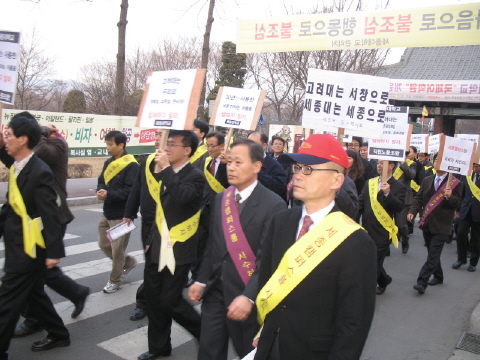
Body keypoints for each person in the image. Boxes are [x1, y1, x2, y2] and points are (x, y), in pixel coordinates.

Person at [254, 134, 377, 360]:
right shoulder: (280, 221)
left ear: (336, 181)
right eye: (297, 168)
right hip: (270, 346)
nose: (298, 175)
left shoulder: (356, 242)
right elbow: (267, 281)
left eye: (308, 169)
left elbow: (353, 325)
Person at [188, 139, 286, 360]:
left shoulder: (274, 205)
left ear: (257, 166)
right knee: (209, 350)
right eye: (229, 161)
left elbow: (268, 261)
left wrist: (249, 297)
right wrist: (201, 280)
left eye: (238, 162)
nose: (231, 167)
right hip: (215, 291)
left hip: (246, 295)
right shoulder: (221, 198)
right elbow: (212, 246)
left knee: (248, 353)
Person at [0, 113, 90, 337]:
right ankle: (57, 318)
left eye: (11, 133)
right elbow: (13, 160)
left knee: (37, 275)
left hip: (51, 218)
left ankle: (47, 315)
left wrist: (40, 132)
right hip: (28, 225)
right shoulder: (23, 161)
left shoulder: (56, 143)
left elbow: (39, 153)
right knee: (34, 280)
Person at [138, 130, 204, 360]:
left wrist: (166, 169)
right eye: (167, 143)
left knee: (171, 300)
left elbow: (183, 197)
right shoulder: (163, 173)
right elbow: (160, 212)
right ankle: (158, 347)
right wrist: (148, 241)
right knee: (154, 300)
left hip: (179, 249)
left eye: (173, 144)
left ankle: (204, 332)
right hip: (156, 246)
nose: (167, 148)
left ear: (187, 150)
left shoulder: (195, 176)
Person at [408, 155, 463, 294]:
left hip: (442, 225)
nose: (437, 163)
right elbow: (419, 198)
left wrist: (450, 196)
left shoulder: (455, 183)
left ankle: (422, 282)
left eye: (440, 161)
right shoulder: (427, 180)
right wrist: (412, 212)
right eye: (435, 160)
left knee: (433, 255)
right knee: (432, 253)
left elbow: (458, 203)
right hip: (427, 223)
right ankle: (438, 276)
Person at [123, 129, 163, 321]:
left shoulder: (180, 167)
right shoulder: (147, 161)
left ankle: (161, 300)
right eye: (156, 135)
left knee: (162, 268)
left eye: (162, 135)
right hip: (149, 221)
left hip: (171, 226)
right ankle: (143, 303)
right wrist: (129, 213)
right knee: (151, 265)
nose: (157, 139)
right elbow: (137, 189)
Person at [97, 131, 140, 293]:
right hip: (107, 211)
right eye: (107, 144)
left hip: (123, 215)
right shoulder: (108, 162)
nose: (108, 148)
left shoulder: (131, 165)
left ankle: (115, 280)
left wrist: (110, 194)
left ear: (121, 145)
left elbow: (131, 191)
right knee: (103, 244)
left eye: (110, 144)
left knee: (117, 250)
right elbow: (101, 180)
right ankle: (128, 263)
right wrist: (101, 190)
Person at [188, 132, 230, 286]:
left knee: (216, 245)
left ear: (222, 146)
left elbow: (229, 185)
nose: (210, 149)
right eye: (208, 145)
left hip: (221, 211)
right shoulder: (205, 161)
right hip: (202, 210)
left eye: (213, 146)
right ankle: (196, 276)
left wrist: (226, 164)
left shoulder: (230, 163)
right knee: (199, 244)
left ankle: (214, 277)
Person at [359, 160, 406, 295]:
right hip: (367, 229)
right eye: (378, 163)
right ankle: (384, 280)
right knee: (370, 259)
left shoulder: (398, 186)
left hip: (383, 231)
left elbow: (399, 207)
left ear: (391, 166)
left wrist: (388, 194)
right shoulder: (370, 183)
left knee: (373, 263)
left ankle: (366, 292)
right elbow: (361, 203)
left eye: (382, 164)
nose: (378, 166)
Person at [453, 163, 480, 271]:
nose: (474, 168)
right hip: (466, 210)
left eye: (476, 166)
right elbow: (462, 193)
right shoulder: (468, 175)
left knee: (476, 238)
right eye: (473, 166)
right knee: (460, 233)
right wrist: (458, 209)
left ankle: (473, 262)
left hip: (478, 212)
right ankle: (461, 259)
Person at [247, 132, 288, 199]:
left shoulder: (274, 165)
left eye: (253, 143)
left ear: (264, 145)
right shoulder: (243, 161)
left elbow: (278, 188)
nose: (249, 145)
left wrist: (258, 172)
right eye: (247, 142)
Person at [392, 147, 418, 253]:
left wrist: (403, 163)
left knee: (401, 224)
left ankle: (405, 240)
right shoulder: (390, 163)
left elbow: (411, 175)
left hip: (404, 197)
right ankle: (385, 246)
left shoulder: (410, 164)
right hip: (390, 195)